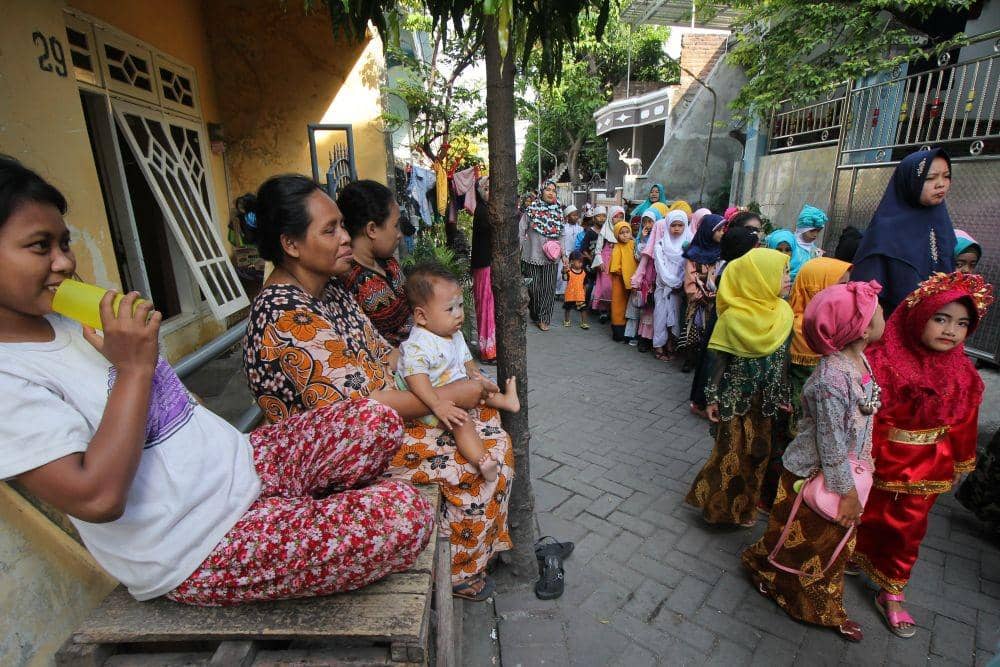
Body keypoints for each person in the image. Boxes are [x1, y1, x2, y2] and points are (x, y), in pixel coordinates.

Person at [0, 158, 434, 606]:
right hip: (196, 541)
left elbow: (179, 407)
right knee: (406, 514)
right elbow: (96, 499)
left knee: (375, 420)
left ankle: (292, 518)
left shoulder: (72, 319)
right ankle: (288, 527)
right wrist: (134, 369)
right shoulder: (10, 377)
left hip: (240, 466)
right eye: (40, 246)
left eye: (64, 243)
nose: (64, 262)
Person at [241, 174, 514, 601]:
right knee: (478, 457)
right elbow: (359, 413)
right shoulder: (285, 316)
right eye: (330, 230)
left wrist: (439, 375)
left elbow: (386, 354)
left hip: (383, 418)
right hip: (337, 455)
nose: (345, 238)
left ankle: (467, 547)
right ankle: (457, 571)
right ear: (290, 244)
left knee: (487, 424)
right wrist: (447, 396)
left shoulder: (331, 291)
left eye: (341, 225)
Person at [743, 280, 886, 643]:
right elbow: (831, 443)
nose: (885, 315)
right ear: (863, 328)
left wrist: (866, 460)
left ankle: (767, 571)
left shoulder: (859, 361)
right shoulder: (831, 381)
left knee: (811, 541)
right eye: (880, 312)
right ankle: (810, 603)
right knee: (811, 545)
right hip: (813, 474)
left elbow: (860, 422)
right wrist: (848, 493)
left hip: (842, 472)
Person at [852, 271, 993, 637]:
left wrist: (961, 460)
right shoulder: (881, 361)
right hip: (876, 459)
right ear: (918, 317)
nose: (951, 331)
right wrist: (862, 456)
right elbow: (866, 415)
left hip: (928, 468)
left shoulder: (963, 373)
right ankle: (851, 556)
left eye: (962, 324)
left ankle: (892, 590)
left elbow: (964, 421)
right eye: (941, 319)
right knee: (861, 515)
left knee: (907, 531)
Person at [685, 248, 793, 527]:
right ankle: (717, 509)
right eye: (782, 272)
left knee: (758, 455)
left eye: (786, 271)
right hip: (734, 399)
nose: (788, 277)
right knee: (729, 452)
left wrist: (784, 393)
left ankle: (746, 510)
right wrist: (711, 398)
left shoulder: (784, 313)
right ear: (761, 277)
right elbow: (717, 360)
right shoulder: (732, 317)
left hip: (766, 400)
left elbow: (784, 358)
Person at [396, 264, 519, 482]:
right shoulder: (418, 344)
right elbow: (416, 380)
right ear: (421, 316)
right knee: (462, 422)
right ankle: (481, 460)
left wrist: (478, 379)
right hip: (431, 400)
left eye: (460, 305)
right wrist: (437, 404)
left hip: (457, 388)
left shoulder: (454, 334)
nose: (459, 314)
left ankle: (507, 401)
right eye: (450, 309)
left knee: (483, 389)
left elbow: (468, 363)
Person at [850, 148, 957, 315]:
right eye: (930, 178)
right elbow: (866, 295)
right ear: (909, 181)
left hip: (938, 320)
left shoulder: (941, 222)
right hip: (892, 322)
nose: (941, 184)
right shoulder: (885, 231)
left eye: (946, 176)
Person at [688, 227, 761, 418]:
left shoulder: (731, 265)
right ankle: (703, 402)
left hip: (722, 317)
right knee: (714, 360)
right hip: (725, 319)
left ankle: (704, 400)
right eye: (753, 247)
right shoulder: (733, 268)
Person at [338, 180, 412, 348]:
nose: (399, 234)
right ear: (372, 229)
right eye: (395, 226)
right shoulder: (351, 280)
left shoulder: (388, 263)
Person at [680, 213, 726, 372]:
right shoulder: (693, 254)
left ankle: (704, 360)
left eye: (723, 229)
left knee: (710, 331)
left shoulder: (722, 253)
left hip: (716, 300)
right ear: (708, 231)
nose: (722, 233)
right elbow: (689, 278)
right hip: (698, 300)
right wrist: (697, 294)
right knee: (694, 328)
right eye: (718, 230)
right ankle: (690, 359)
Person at [520, 180, 564, 331]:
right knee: (533, 288)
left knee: (548, 289)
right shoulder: (531, 210)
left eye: (554, 190)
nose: (551, 193)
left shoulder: (558, 212)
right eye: (548, 190)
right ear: (541, 191)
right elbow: (521, 230)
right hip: (532, 255)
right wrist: (518, 249)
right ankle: (535, 312)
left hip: (552, 257)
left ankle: (544, 318)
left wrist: (564, 255)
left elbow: (562, 234)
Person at [650, 210, 690, 361]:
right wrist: (673, 283)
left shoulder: (688, 246)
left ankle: (671, 344)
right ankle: (658, 345)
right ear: (668, 226)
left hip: (679, 289)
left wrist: (680, 283)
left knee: (675, 315)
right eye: (673, 225)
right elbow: (661, 268)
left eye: (680, 225)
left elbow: (688, 267)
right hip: (663, 287)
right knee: (660, 315)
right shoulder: (660, 245)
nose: (677, 229)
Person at [470, 176, 496, 362]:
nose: (489, 192)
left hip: (486, 264)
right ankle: (488, 350)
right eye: (485, 189)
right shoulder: (482, 211)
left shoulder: (486, 209)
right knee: (486, 306)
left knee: (488, 306)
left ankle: (490, 348)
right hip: (484, 265)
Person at [626, 210, 659, 348]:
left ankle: (649, 338)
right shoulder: (639, 239)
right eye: (644, 222)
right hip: (643, 275)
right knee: (639, 304)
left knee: (651, 308)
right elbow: (639, 257)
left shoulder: (661, 237)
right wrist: (644, 240)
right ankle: (636, 335)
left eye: (650, 221)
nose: (647, 225)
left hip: (655, 276)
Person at [609, 220, 638, 342]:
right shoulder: (617, 247)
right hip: (619, 281)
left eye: (627, 232)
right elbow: (615, 267)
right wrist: (625, 272)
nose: (625, 235)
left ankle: (630, 332)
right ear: (617, 235)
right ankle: (618, 331)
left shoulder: (633, 244)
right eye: (622, 233)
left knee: (631, 305)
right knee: (619, 304)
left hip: (633, 280)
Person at [590, 205, 618, 321]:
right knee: (605, 287)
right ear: (610, 217)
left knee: (615, 287)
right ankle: (603, 310)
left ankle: (614, 311)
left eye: (621, 217)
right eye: (616, 216)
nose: (618, 219)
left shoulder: (624, 229)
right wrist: (600, 261)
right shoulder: (605, 230)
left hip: (618, 262)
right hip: (605, 262)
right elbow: (598, 249)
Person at [555, 204, 581, 298]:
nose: (576, 217)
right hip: (565, 254)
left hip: (575, 255)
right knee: (561, 273)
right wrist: (563, 254)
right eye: (573, 215)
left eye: (576, 215)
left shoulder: (580, 228)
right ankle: (558, 291)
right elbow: (560, 241)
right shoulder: (563, 228)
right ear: (567, 217)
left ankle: (569, 293)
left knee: (573, 274)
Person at [562, 251, 590, 329]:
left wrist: (584, 293)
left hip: (580, 295)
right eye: (579, 262)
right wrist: (564, 271)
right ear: (571, 262)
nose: (581, 264)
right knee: (568, 308)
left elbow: (585, 284)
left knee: (583, 309)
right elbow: (564, 278)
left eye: (582, 262)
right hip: (570, 294)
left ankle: (584, 323)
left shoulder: (583, 273)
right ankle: (567, 320)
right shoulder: (569, 271)